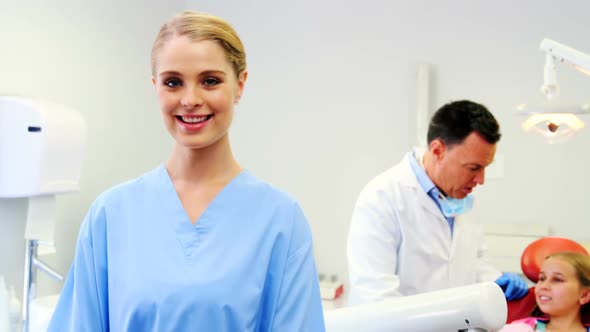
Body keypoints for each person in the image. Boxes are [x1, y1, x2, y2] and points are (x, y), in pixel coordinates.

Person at [49, 10, 325, 331]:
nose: (190, 99)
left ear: (240, 85)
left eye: (210, 81)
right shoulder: (110, 216)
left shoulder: (281, 220)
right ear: (156, 87)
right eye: (173, 82)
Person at [347, 100, 529, 304]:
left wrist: (494, 279)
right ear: (437, 151)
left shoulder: (462, 199)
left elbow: (472, 261)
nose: (481, 180)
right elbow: (375, 294)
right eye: (473, 168)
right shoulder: (382, 198)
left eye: (485, 167)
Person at [499, 252, 590, 332]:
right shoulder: (518, 329)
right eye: (542, 279)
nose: (543, 286)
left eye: (557, 280)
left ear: (584, 295)